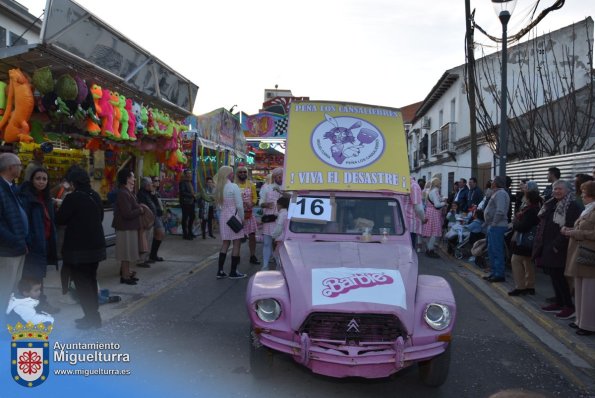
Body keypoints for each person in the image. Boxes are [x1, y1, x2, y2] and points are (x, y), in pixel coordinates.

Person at [55, 167, 106, 329]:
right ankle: (93, 316)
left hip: (79, 249)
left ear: (73, 182)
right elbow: (101, 216)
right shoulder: (95, 196)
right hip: (96, 246)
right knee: (91, 280)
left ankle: (91, 318)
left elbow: (61, 219)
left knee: (82, 284)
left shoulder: (72, 198)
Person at [533, 180, 582, 320]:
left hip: (560, 247)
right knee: (553, 275)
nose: (556, 191)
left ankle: (568, 306)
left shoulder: (572, 205)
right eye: (555, 189)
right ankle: (559, 302)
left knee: (560, 277)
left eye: (559, 189)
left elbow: (570, 226)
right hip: (548, 244)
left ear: (567, 190)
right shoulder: (551, 203)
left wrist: (556, 245)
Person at [18, 167, 59, 314]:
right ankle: (36, 305)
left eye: (44, 179)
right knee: (33, 277)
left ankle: (39, 303)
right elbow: (24, 222)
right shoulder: (26, 197)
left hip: (44, 243)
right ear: (32, 180)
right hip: (33, 244)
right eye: (38, 178)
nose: (41, 182)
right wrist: (28, 241)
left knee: (38, 276)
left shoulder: (46, 197)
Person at [561, 180, 595, 336]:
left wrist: (575, 233)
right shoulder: (588, 209)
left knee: (589, 291)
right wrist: (571, 229)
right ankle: (580, 321)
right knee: (580, 288)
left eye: (584, 192)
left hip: (589, 255)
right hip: (580, 252)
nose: (582, 195)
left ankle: (588, 325)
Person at [0, 153, 28, 330]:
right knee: (4, 288)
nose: (21, 168)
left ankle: (6, 319)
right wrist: (15, 241)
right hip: (7, 250)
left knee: (11, 288)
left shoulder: (10, 187)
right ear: (11, 168)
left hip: (17, 247)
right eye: (19, 165)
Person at [112, 169, 144, 285]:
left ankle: (127, 273)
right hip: (125, 227)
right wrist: (139, 210)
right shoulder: (123, 193)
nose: (134, 179)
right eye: (132, 177)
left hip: (129, 226)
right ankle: (125, 276)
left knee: (128, 252)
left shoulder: (127, 192)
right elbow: (127, 213)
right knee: (125, 253)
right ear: (127, 179)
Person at [214, 166, 246, 279]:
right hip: (234, 217)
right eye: (232, 173)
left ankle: (220, 271)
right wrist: (242, 219)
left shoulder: (218, 188)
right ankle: (233, 271)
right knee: (236, 243)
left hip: (223, 217)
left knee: (225, 243)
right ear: (229, 174)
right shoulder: (233, 186)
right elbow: (239, 205)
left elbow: (218, 206)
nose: (233, 174)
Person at [508, 190, 541, 296]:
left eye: (524, 196)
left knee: (516, 261)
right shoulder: (535, 209)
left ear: (528, 198)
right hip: (531, 242)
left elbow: (523, 226)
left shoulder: (530, 210)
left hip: (524, 241)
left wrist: (515, 223)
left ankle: (520, 287)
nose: (523, 198)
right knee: (528, 263)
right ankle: (530, 286)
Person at [482, 176, 510, 283]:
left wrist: (493, 223)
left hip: (497, 226)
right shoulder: (496, 193)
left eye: (493, 181)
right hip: (493, 226)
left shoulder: (501, 194)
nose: (491, 182)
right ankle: (494, 272)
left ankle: (499, 274)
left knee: (497, 250)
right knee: (491, 250)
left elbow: (500, 211)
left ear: (497, 183)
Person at [259, 167, 284, 270]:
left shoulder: (287, 188)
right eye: (279, 176)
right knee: (267, 243)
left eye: (282, 176)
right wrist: (265, 204)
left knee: (280, 243)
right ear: (274, 177)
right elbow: (260, 203)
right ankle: (265, 265)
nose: (281, 178)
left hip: (282, 219)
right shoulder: (266, 188)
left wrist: (282, 192)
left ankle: (280, 265)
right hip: (269, 219)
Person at [235, 166, 260, 265]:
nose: (242, 173)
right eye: (240, 172)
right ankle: (236, 256)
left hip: (249, 214)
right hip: (238, 215)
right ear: (237, 174)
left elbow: (255, 198)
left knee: (252, 235)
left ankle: (252, 256)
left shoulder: (251, 185)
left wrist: (252, 203)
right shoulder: (234, 185)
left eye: (244, 172)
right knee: (238, 237)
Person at [421, 178, 447, 258]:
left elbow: (433, 201)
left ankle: (428, 249)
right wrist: (444, 203)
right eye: (440, 183)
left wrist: (441, 199)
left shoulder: (430, 191)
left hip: (429, 212)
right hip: (434, 213)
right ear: (437, 183)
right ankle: (430, 249)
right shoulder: (435, 191)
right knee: (434, 233)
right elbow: (437, 205)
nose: (441, 184)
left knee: (430, 232)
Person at [137, 177, 158, 265]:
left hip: (150, 220)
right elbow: (143, 208)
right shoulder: (141, 194)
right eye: (150, 183)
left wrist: (153, 194)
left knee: (148, 239)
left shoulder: (148, 193)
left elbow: (154, 203)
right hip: (145, 221)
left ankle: (146, 258)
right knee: (144, 240)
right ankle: (142, 260)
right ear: (146, 185)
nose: (152, 185)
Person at [403, 176, 426, 250]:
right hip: (410, 222)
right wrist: (423, 219)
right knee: (410, 250)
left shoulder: (401, 183)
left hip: (400, 221)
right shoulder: (414, 186)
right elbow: (418, 208)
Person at [149, 176, 165, 261]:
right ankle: (152, 254)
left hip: (159, 214)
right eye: (155, 180)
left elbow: (160, 204)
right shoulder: (150, 192)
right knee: (160, 233)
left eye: (159, 180)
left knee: (158, 234)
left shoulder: (157, 192)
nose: (158, 182)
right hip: (154, 215)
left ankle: (153, 254)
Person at [271, 196, 290, 268]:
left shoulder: (282, 214)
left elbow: (279, 227)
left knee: (278, 260)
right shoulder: (287, 213)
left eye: (277, 205)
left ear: (280, 205)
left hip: (280, 238)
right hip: (285, 237)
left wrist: (274, 236)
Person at [179, 169, 197, 240]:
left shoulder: (191, 182)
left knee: (192, 217)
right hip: (185, 202)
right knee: (185, 218)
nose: (190, 175)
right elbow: (182, 192)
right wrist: (192, 195)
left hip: (191, 202)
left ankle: (190, 232)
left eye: (190, 173)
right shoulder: (182, 182)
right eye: (188, 173)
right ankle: (185, 234)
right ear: (185, 174)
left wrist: (194, 197)